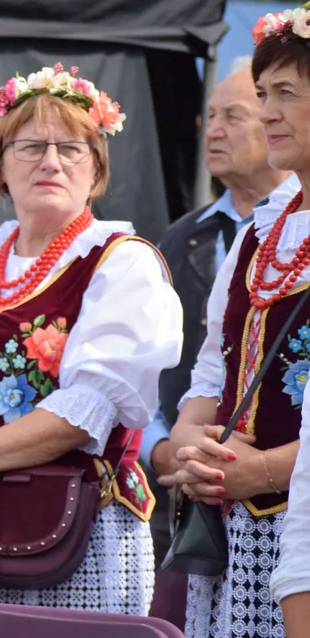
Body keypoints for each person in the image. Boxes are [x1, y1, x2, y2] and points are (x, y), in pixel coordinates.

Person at [0, 63, 182, 615]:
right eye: (31, 146)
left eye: (72, 148)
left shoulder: (121, 264)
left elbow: (89, 406)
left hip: (79, 536)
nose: (52, 161)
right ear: (1, 164)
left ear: (97, 169)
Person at [171, 0, 310, 638]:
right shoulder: (261, 234)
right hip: (236, 529)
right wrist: (189, 445)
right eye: (262, 92)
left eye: (286, 92)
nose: (267, 111)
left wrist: (266, 469)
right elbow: (211, 369)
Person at [141, 64, 289, 626]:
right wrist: (170, 449)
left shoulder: (281, 232)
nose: (214, 131)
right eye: (211, 116)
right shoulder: (179, 238)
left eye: (235, 114)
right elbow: (165, 372)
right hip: (196, 506)